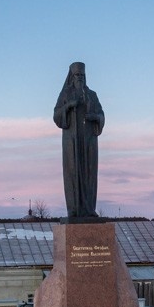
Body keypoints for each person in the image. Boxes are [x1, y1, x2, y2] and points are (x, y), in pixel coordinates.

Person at [53, 62, 105, 218]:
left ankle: (89, 209)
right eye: (77, 75)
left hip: (89, 141)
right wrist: (68, 106)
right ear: (72, 76)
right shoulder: (65, 94)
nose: (80, 78)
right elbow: (56, 115)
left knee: (89, 172)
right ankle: (74, 208)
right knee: (73, 171)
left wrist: (95, 117)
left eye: (82, 75)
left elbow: (102, 115)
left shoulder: (92, 95)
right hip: (72, 140)